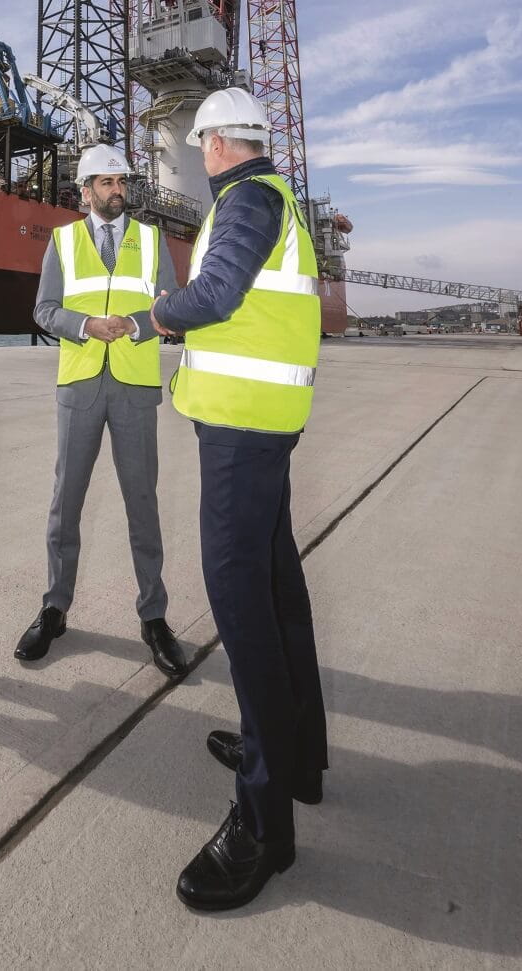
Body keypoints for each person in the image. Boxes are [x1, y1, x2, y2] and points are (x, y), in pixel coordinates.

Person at [150, 87, 327, 911]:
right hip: (266, 428)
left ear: (219, 142)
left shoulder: (248, 198)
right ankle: (296, 752)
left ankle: (264, 824)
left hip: (241, 437)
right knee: (277, 588)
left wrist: (163, 314)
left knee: (240, 604)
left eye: (201, 142)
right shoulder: (273, 197)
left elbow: (215, 297)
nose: (199, 153)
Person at [14, 145, 188, 679]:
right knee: (65, 502)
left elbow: (170, 305)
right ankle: (55, 607)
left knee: (143, 503)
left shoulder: (153, 240)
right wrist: (86, 326)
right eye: (105, 182)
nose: (117, 190)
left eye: (121, 182)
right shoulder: (63, 242)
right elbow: (43, 310)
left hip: (135, 386)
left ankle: (154, 617)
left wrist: (135, 325)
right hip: (80, 386)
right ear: (84, 190)